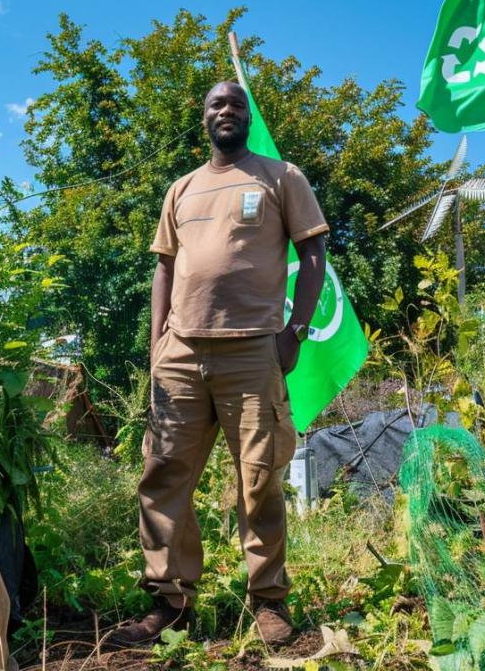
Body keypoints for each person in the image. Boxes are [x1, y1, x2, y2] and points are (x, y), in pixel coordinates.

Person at [106, 81, 329, 648]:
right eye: (215, 104)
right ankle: (170, 603)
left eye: (235, 104)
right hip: (180, 353)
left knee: (259, 481)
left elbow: (313, 253)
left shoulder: (282, 177)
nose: (226, 111)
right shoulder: (181, 189)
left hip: (254, 348)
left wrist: (294, 331)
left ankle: (268, 602)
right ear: (202, 117)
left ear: (248, 116)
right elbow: (164, 266)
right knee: (162, 475)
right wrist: (157, 342)